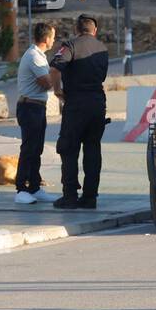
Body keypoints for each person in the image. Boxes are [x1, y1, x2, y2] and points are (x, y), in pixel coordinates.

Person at [50, 14, 109, 210]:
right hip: (97, 103)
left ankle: (70, 196)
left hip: (76, 104)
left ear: (77, 29)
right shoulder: (102, 48)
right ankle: (90, 197)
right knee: (93, 150)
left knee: (68, 149)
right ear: (95, 30)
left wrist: (58, 91)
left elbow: (55, 69)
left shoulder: (70, 45)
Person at [14, 22, 59, 204]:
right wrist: (57, 71)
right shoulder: (34, 56)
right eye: (53, 37)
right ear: (47, 39)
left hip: (37, 107)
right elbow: (46, 82)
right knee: (29, 148)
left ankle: (34, 186)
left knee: (37, 148)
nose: (54, 41)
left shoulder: (39, 55)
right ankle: (21, 189)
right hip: (29, 107)